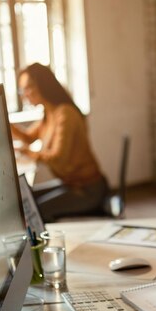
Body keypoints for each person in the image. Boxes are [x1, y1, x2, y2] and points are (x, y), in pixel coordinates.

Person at [11, 63, 108, 221]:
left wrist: (26, 151)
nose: (25, 94)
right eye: (22, 89)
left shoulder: (65, 114)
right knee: (27, 198)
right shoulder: (49, 112)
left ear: (42, 85)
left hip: (87, 189)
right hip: (69, 184)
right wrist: (6, 124)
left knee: (35, 211)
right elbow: (29, 137)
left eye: (29, 88)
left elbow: (58, 157)